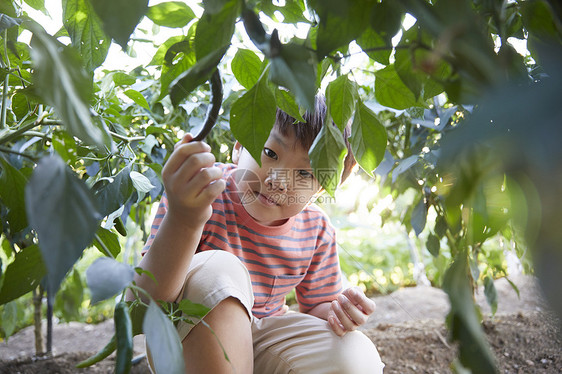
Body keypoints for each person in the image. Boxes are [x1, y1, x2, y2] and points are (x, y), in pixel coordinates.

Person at [133, 95, 385, 373]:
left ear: (320, 190)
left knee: (355, 355)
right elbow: (147, 299)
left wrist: (340, 310)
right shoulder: (197, 193)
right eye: (270, 153)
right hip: (188, 341)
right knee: (220, 268)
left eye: (304, 173)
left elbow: (317, 308)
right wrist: (184, 219)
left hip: (261, 343)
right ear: (239, 146)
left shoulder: (316, 229)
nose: (277, 180)